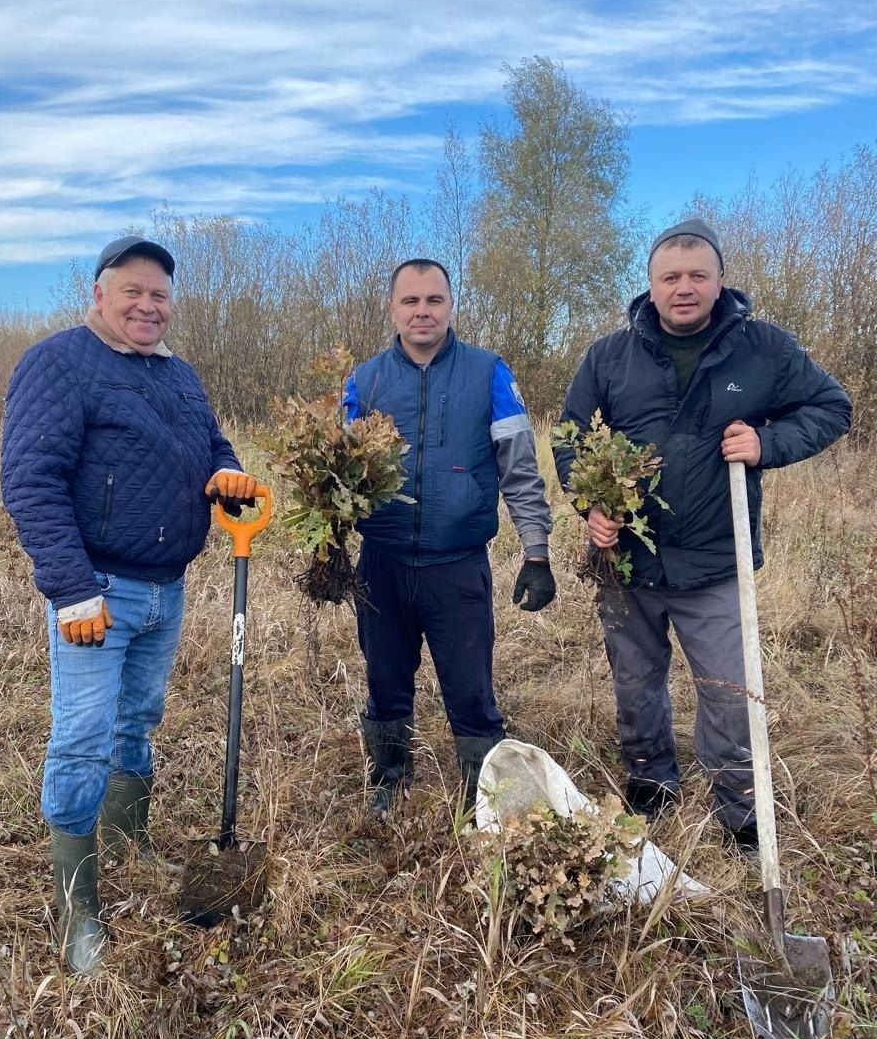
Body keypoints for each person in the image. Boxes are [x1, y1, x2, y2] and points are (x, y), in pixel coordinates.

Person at [1, 235, 261, 973]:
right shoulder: (58, 363)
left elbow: (213, 443)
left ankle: (130, 844)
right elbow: (31, 482)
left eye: (160, 295)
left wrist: (229, 473)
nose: (149, 306)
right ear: (99, 295)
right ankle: (79, 910)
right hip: (97, 593)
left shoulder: (179, 374)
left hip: (166, 588)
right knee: (82, 736)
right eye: (133, 292)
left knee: (137, 722)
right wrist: (73, 589)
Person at [554, 219, 851, 847]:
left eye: (697, 276)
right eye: (671, 277)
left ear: (719, 283)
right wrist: (590, 507)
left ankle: (740, 808)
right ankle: (650, 782)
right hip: (627, 561)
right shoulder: (609, 355)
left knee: (728, 691)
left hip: (716, 559)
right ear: (651, 286)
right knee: (635, 681)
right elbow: (570, 436)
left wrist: (767, 443)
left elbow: (832, 407)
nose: (683, 288)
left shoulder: (764, 349)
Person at [343, 257, 556, 814]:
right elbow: (336, 480)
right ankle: (389, 778)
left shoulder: (488, 374)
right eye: (410, 300)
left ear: (451, 306)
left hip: (458, 565)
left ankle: (483, 793)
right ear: (392, 308)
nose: (422, 311)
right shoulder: (364, 382)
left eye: (434, 300)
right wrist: (328, 547)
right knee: (385, 678)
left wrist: (536, 549)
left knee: (470, 688)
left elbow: (519, 468)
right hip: (382, 565)